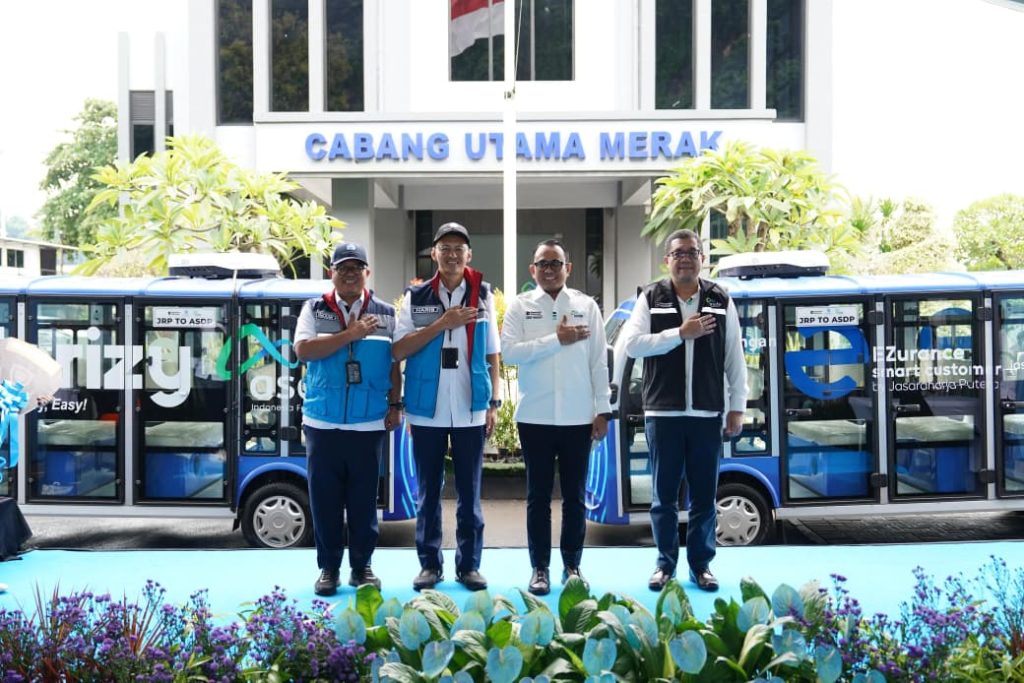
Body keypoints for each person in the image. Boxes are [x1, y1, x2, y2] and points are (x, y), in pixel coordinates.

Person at [620, 229, 747, 592]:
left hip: (707, 414)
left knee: (705, 496)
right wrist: (679, 333)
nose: (685, 258)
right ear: (667, 260)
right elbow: (632, 345)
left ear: (702, 259)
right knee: (663, 496)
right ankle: (664, 564)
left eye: (692, 252)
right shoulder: (651, 298)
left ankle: (701, 565)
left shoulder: (720, 298)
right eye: (678, 253)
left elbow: (733, 356)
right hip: (664, 413)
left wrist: (737, 406)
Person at [392, 222, 501, 592]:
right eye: (445, 248)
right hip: (426, 408)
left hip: (470, 407)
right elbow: (400, 349)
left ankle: (469, 566)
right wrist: (443, 323)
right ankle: (429, 566)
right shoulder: (416, 297)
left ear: (468, 255)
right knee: (428, 492)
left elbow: (492, 352)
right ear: (433, 253)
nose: (452, 254)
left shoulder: (482, 294)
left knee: (470, 494)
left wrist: (494, 402)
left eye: (459, 248)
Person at [500, 239, 611, 596]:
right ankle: (540, 569)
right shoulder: (520, 306)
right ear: (532, 270)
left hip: (579, 416)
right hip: (535, 417)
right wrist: (555, 340)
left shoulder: (585, 305)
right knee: (538, 497)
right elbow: (510, 353)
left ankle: (572, 565)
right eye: (542, 263)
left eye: (556, 263)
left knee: (576, 496)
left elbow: (598, 361)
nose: (549, 269)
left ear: (568, 268)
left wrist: (602, 409)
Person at [293, 242, 403, 596]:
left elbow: (395, 362)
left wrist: (395, 405)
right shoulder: (314, 309)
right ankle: (328, 569)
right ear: (332, 274)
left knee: (362, 502)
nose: (351, 273)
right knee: (324, 502)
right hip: (323, 423)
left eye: (357, 267)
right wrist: (350, 336)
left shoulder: (386, 313)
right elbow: (304, 351)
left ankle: (362, 567)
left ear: (367, 273)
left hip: (369, 424)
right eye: (344, 268)